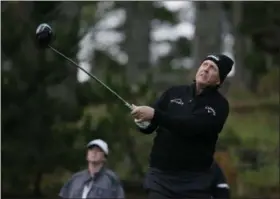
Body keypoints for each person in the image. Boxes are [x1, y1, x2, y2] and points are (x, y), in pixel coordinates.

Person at [131, 54, 233, 199]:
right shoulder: (173, 93)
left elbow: (191, 127)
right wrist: (142, 120)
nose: (206, 69)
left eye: (213, 68)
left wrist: (155, 115)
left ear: (219, 80)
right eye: (205, 65)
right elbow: (150, 127)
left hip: (194, 181)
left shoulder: (219, 105)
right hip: (160, 177)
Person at [59, 139, 125, 199]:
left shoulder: (111, 179)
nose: (94, 152)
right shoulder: (76, 178)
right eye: (91, 149)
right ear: (87, 155)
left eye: (98, 150)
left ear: (104, 157)